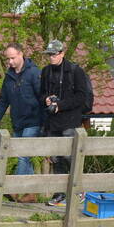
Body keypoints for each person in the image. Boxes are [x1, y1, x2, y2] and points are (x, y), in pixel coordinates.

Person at [0, 43, 44, 199]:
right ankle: (31, 193)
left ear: (21, 54)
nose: (10, 62)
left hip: (33, 121)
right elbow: (3, 101)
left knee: (22, 155)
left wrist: (45, 123)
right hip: (18, 122)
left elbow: (42, 98)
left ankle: (13, 188)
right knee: (23, 156)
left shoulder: (34, 73)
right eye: (8, 59)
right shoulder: (9, 77)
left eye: (13, 58)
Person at [40, 40, 89, 206]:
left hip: (70, 121)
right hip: (52, 122)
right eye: (49, 54)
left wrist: (60, 105)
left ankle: (79, 189)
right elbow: (40, 94)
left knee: (70, 156)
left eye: (54, 54)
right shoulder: (45, 71)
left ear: (62, 53)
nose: (51, 57)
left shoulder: (76, 71)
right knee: (55, 158)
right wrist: (46, 100)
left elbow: (81, 98)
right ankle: (59, 194)